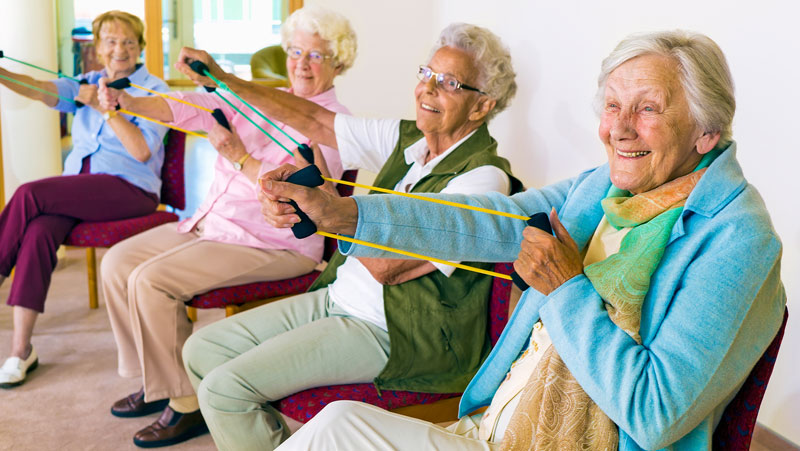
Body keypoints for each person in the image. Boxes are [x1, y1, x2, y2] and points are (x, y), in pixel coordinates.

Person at [260, 30, 787, 450]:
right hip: (501, 428)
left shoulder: (738, 239)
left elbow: (654, 415)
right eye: (612, 105)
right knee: (334, 427)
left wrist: (565, 290)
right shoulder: (601, 186)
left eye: (648, 108)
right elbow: (482, 220)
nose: (619, 129)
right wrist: (343, 214)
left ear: (707, 130)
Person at [176, 22, 521, 450]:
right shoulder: (410, 139)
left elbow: (389, 268)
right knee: (202, 350)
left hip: (396, 329)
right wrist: (224, 80)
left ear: (480, 106)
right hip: (339, 298)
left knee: (223, 391)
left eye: (449, 83)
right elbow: (312, 118)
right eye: (426, 74)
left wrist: (327, 210)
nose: (428, 89)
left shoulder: (483, 180)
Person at [95, 6, 354, 448]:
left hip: (270, 243)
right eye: (295, 51)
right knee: (118, 263)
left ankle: (184, 403)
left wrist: (237, 154)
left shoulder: (334, 123)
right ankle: (158, 380)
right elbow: (190, 108)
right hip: (213, 223)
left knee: (150, 281)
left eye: (317, 55)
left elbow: (300, 193)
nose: (302, 64)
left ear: (338, 63)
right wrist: (128, 102)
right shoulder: (264, 96)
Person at [0, 10, 168, 388]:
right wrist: (3, 73)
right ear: (97, 49)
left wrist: (107, 109)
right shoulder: (86, 82)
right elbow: (37, 88)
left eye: (128, 41)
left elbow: (141, 151)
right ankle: (20, 350)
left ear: (140, 46)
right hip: (82, 191)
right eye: (110, 41)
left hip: (130, 189)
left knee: (29, 194)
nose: (119, 49)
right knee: (40, 229)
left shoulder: (154, 90)